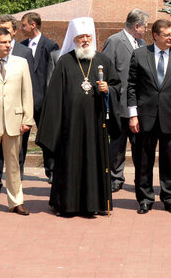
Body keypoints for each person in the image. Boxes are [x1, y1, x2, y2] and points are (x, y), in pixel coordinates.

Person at [36, 17, 121, 216]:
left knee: (94, 161)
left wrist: (108, 89)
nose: (85, 40)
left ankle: (94, 204)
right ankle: (67, 205)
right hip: (70, 125)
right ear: (74, 39)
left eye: (88, 36)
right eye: (81, 37)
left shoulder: (103, 61)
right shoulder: (64, 62)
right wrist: (55, 127)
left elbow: (117, 86)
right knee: (69, 162)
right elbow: (54, 96)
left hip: (95, 123)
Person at [127, 19, 171, 215]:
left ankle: (169, 197)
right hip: (145, 117)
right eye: (167, 35)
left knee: (170, 160)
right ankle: (145, 198)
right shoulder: (140, 54)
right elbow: (131, 86)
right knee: (144, 160)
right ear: (155, 36)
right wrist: (133, 115)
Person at [0, 27, 34, 217]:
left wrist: (27, 118)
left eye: (9, 41)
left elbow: (27, 92)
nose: (8, 45)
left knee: (14, 165)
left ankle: (16, 202)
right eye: (3, 42)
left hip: (14, 120)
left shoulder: (21, 63)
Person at [102, 8, 149, 193]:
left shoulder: (143, 43)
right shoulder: (114, 41)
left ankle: (140, 178)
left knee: (139, 145)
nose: (146, 30)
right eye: (145, 26)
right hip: (119, 103)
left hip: (139, 104)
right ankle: (115, 177)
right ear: (137, 26)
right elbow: (105, 68)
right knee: (118, 144)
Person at [19, 12, 60, 183]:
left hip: (44, 100)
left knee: (47, 138)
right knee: (21, 140)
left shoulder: (50, 46)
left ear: (33, 25)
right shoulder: (20, 47)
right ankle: (17, 172)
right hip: (23, 101)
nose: (21, 28)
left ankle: (51, 171)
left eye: (23, 25)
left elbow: (53, 75)